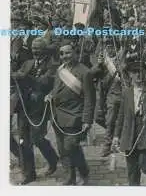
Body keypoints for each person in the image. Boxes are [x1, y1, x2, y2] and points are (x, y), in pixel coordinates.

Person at [45, 41, 95, 185]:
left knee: (71, 146)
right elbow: (57, 88)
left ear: (74, 53)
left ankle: (83, 171)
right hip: (57, 115)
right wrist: (50, 95)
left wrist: (87, 120)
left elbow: (90, 99)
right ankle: (70, 177)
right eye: (62, 53)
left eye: (67, 52)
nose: (64, 56)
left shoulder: (85, 72)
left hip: (75, 116)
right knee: (62, 149)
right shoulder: (60, 69)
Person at [11, 38, 59, 184]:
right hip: (23, 109)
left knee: (37, 139)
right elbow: (15, 77)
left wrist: (24, 76)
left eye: (38, 48)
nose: (35, 51)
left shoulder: (53, 65)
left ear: (44, 49)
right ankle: (29, 174)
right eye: (33, 48)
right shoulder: (27, 63)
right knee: (23, 141)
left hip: (39, 109)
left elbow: (44, 82)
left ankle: (53, 159)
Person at [113, 60, 146, 186]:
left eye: (141, 72)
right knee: (132, 170)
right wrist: (116, 136)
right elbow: (121, 116)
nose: (138, 75)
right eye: (135, 72)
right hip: (129, 133)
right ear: (130, 74)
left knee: (144, 163)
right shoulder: (126, 93)